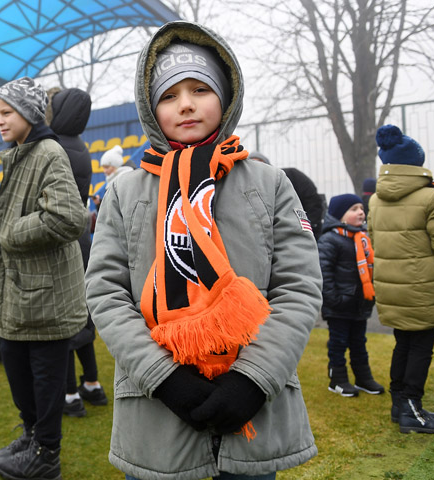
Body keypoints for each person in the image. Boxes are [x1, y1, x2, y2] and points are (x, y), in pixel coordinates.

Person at [84, 21, 322, 479]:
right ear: (150, 107)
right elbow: (105, 293)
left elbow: (299, 287)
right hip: (158, 418)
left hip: (253, 415)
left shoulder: (269, 183)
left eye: (200, 89)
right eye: (169, 95)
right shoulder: (124, 192)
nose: (186, 104)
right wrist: (164, 378)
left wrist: (253, 379)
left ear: (226, 96)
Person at [0, 76, 88, 480]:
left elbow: (69, 217)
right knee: (19, 373)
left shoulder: (48, 152)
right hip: (22, 292)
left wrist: (10, 232)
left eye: (6, 113)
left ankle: (46, 454)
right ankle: (32, 437)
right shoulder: (19, 153)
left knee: (44, 380)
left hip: (44, 297)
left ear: (29, 113)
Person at [368, 124, 434, 434]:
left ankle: (400, 406)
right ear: (416, 162)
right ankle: (412, 407)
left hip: (392, 288)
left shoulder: (375, 200)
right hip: (424, 288)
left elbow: (374, 241)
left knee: (403, 344)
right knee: (421, 348)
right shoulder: (431, 198)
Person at [45, 86, 107, 417]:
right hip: (80, 235)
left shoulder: (54, 146)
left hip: (62, 238)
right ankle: (92, 384)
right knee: (81, 317)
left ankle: (70, 394)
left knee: (63, 321)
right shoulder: (79, 145)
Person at [318, 193, 384, 397]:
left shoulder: (363, 239)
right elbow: (324, 273)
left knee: (359, 343)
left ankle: (363, 378)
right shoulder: (330, 239)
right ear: (340, 215)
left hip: (359, 304)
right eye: (354, 209)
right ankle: (337, 380)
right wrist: (335, 300)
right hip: (339, 306)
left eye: (361, 208)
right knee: (338, 344)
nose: (360, 212)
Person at [248, 151, 325, 239]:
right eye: (252, 166)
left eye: (260, 164)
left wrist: (307, 228)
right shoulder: (248, 191)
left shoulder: (293, 177)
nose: (257, 169)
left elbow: (313, 204)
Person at [92, 146, 134, 212]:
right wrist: (99, 203)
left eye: (107, 167)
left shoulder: (124, 180)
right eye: (103, 168)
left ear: (115, 165)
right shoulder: (112, 181)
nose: (104, 171)